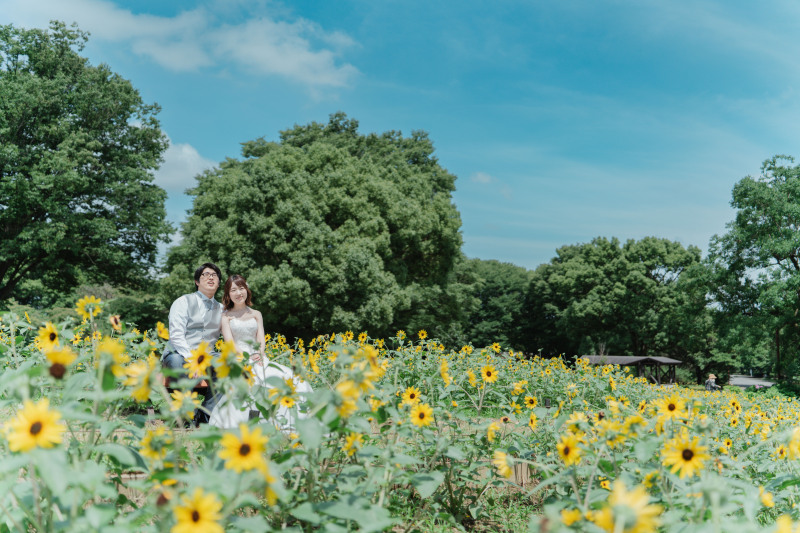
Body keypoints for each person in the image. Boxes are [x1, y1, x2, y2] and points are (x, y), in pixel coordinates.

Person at [208, 274, 313, 430]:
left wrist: (259, 353)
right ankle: (248, 424)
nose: (238, 293)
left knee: (286, 377)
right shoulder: (226, 316)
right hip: (238, 359)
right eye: (234, 290)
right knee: (252, 380)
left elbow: (261, 340)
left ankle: (282, 424)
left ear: (247, 290)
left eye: (241, 288)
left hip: (258, 357)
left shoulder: (256, 314)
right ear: (228, 294)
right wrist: (246, 357)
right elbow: (230, 343)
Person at [161, 263, 224, 424]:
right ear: (197, 281)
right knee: (176, 363)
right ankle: (186, 413)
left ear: (219, 282)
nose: (211, 277)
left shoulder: (222, 309)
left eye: (214, 275)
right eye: (206, 274)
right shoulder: (183, 302)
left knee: (225, 365)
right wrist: (192, 360)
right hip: (180, 354)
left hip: (207, 356)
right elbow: (176, 335)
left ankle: (206, 416)